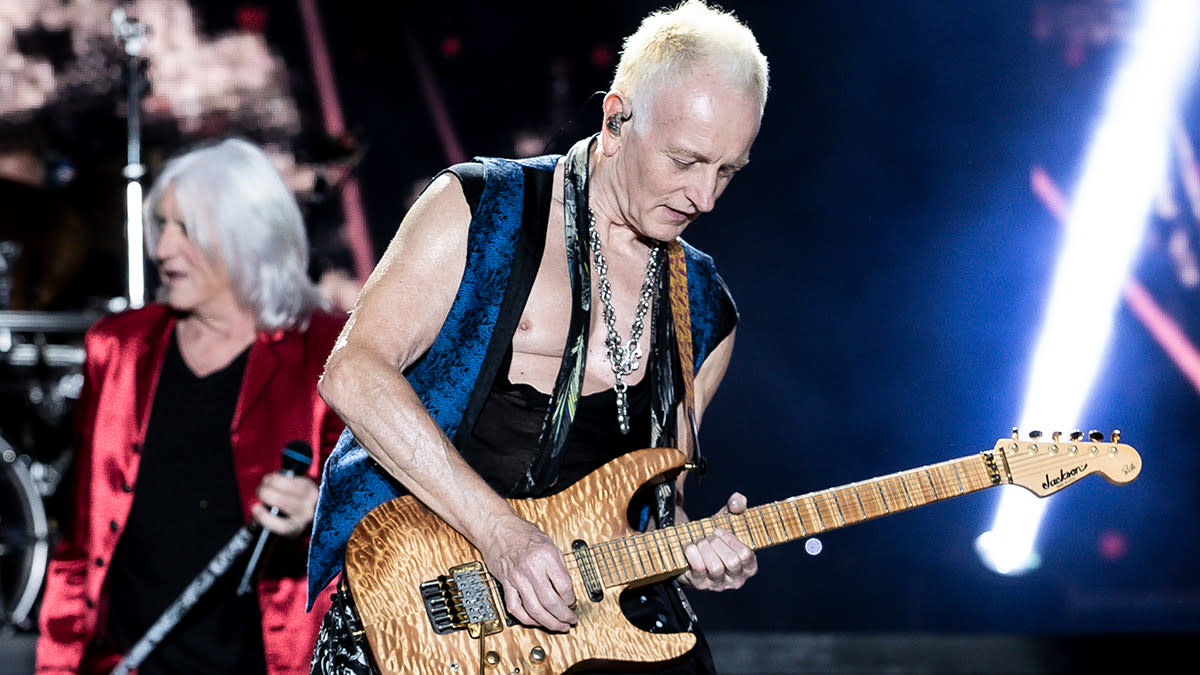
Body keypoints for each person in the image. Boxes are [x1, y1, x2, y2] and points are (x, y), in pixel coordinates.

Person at [308, 1, 768, 672]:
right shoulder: (480, 207)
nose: (706, 197)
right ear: (616, 121)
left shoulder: (703, 307)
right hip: (425, 607)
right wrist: (500, 533)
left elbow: (651, 508)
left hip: (589, 630)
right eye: (686, 160)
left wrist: (695, 550)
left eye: (728, 170)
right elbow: (352, 373)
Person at [35, 138, 346, 674]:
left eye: (189, 231)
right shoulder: (118, 347)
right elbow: (80, 538)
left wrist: (320, 516)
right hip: (129, 659)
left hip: (268, 660)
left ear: (252, 238)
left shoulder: (328, 350)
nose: (163, 250)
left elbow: (386, 521)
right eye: (163, 226)